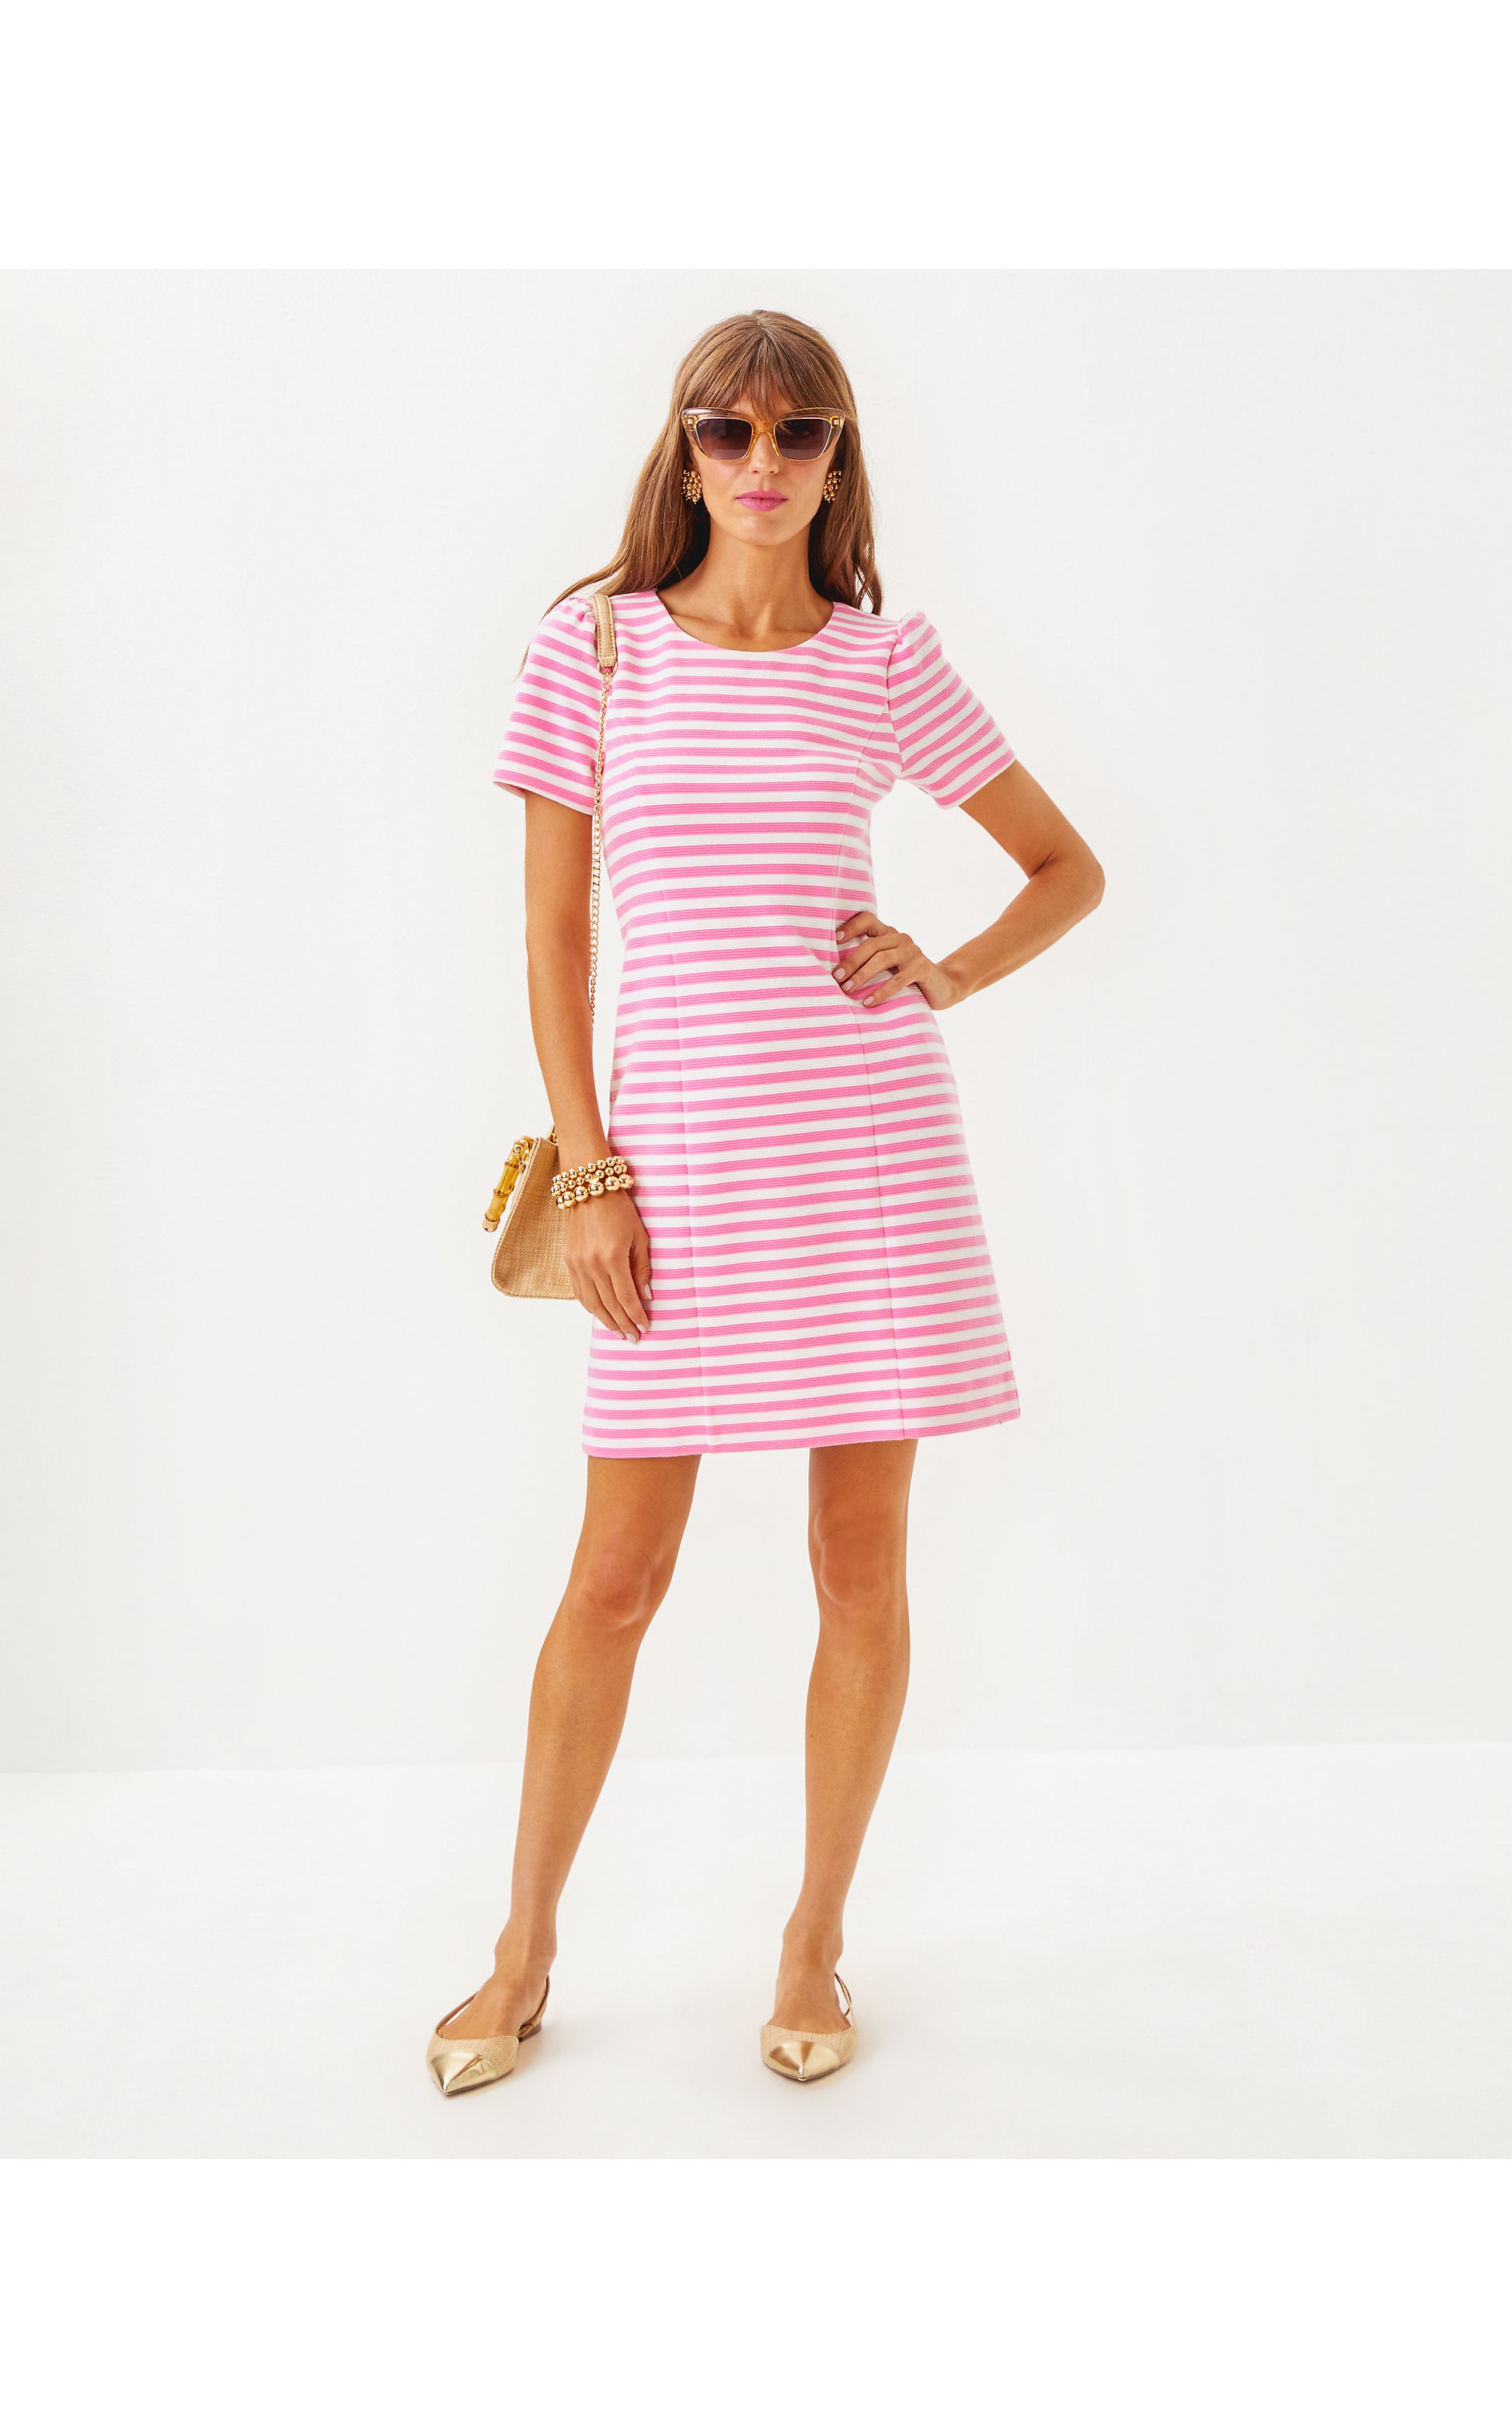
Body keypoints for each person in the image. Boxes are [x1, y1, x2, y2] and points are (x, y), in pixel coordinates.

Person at [427, 308, 1104, 2096]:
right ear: (684, 449)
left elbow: (1065, 868)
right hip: (672, 1171)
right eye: (726, 430)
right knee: (616, 1579)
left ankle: (812, 1940)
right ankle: (520, 1951)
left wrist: (941, 969)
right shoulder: (595, 650)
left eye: (797, 433)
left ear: (835, 460)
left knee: (857, 1566)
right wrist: (591, 1171)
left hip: (865, 1163)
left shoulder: (883, 661)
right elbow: (555, 939)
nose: (760, 460)